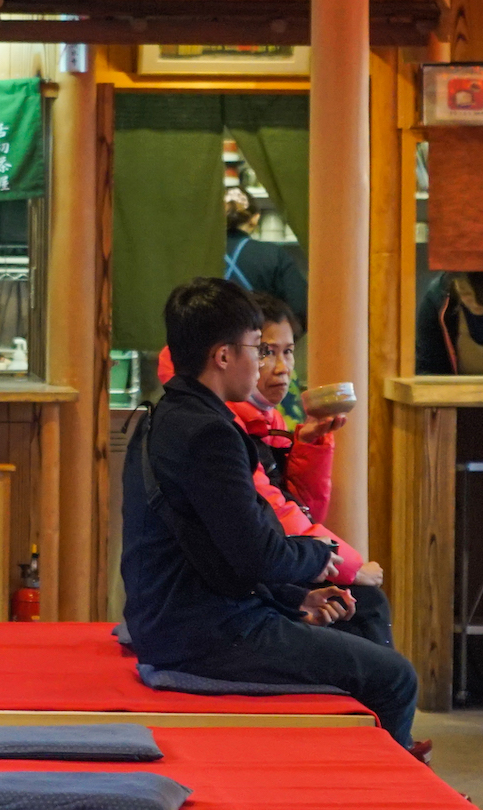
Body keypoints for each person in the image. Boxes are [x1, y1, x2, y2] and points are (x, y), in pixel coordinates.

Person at [121, 277, 421, 752]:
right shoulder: (209, 434)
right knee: (394, 677)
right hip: (208, 634)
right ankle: (395, 791)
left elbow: (228, 546)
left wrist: (293, 597)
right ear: (223, 356)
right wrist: (320, 555)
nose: (267, 363)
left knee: (358, 620)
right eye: (258, 349)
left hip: (184, 616)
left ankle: (358, 771)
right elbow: (256, 553)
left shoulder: (166, 414)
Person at [236, 294, 391, 646]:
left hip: (274, 564)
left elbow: (305, 509)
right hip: (253, 581)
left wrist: (310, 444)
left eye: (288, 351)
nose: (282, 367)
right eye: (266, 352)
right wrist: (348, 565)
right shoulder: (230, 423)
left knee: (362, 605)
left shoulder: (268, 420)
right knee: (364, 604)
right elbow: (272, 511)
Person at [223, 190, 307, 331]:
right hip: (260, 345)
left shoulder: (201, 255)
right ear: (255, 218)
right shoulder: (274, 255)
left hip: (210, 348)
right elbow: (301, 309)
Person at [414, 271, 483, 375]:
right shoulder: (437, 299)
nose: (476, 303)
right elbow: (427, 370)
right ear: (454, 284)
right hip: (457, 394)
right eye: (465, 292)